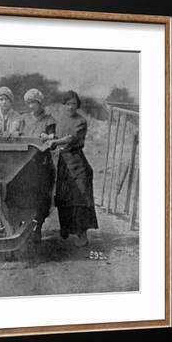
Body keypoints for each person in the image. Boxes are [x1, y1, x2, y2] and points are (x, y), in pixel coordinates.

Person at [48, 90, 98, 246]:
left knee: (80, 198)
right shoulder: (60, 120)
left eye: (74, 104)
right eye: (68, 104)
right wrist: (49, 137)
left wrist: (55, 142)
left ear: (78, 105)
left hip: (77, 164)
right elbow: (55, 137)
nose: (70, 107)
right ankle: (66, 228)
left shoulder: (81, 121)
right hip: (63, 164)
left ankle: (82, 235)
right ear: (64, 105)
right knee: (63, 198)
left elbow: (71, 139)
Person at [12, 88, 57, 243]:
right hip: (23, 165)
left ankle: (38, 228)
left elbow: (53, 139)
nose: (32, 106)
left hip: (41, 164)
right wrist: (14, 132)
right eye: (29, 102)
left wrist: (49, 137)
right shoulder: (23, 118)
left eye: (34, 102)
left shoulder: (49, 120)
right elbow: (14, 131)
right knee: (20, 194)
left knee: (41, 197)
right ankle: (18, 226)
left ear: (40, 103)